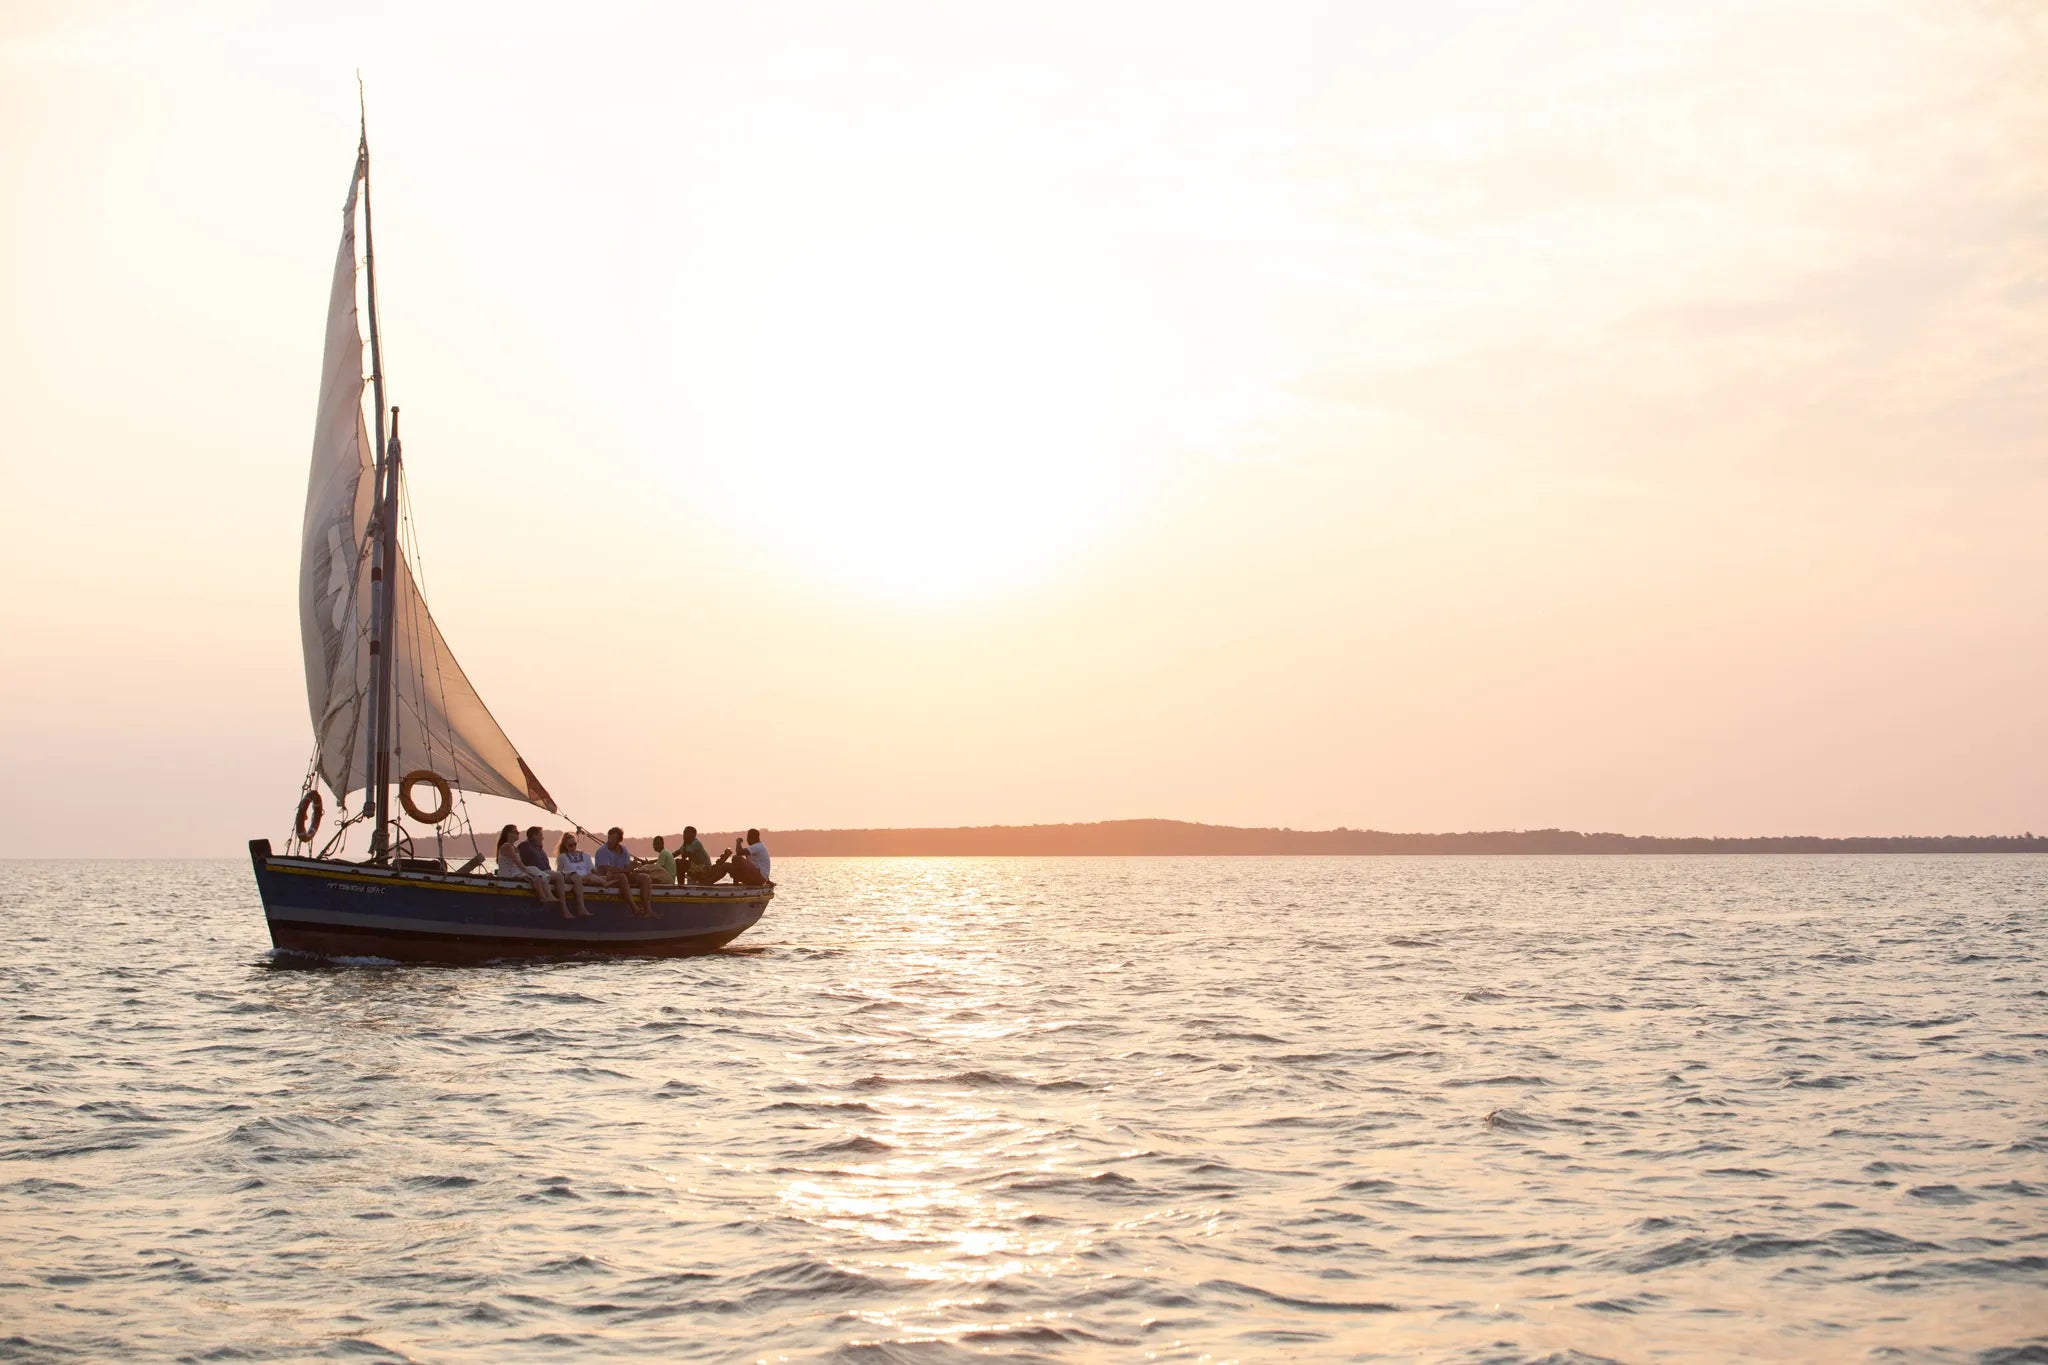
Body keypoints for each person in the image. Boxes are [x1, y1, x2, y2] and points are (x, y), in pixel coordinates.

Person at [495, 823, 565, 914]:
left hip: (515, 870)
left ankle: (548, 896)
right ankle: (543, 897)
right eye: (515, 832)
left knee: (535, 871)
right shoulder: (507, 846)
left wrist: (528, 870)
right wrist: (526, 871)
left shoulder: (514, 847)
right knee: (534, 874)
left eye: (518, 832)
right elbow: (518, 863)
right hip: (508, 872)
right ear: (508, 834)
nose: (518, 833)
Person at [595, 826, 657, 918]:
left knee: (645, 878)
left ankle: (648, 910)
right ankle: (634, 907)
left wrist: (635, 867)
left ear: (619, 840)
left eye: (613, 838)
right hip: (607, 878)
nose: (610, 841)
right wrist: (627, 869)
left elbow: (627, 867)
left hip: (624, 874)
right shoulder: (602, 851)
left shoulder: (624, 850)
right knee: (622, 877)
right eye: (609, 838)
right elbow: (608, 870)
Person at [557, 832, 596, 917]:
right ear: (565, 846)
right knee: (576, 876)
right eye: (570, 845)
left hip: (581, 878)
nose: (573, 847)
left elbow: (591, 870)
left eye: (575, 844)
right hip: (568, 877)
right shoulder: (562, 857)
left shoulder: (585, 855)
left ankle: (581, 908)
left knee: (578, 879)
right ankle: (581, 908)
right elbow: (559, 871)